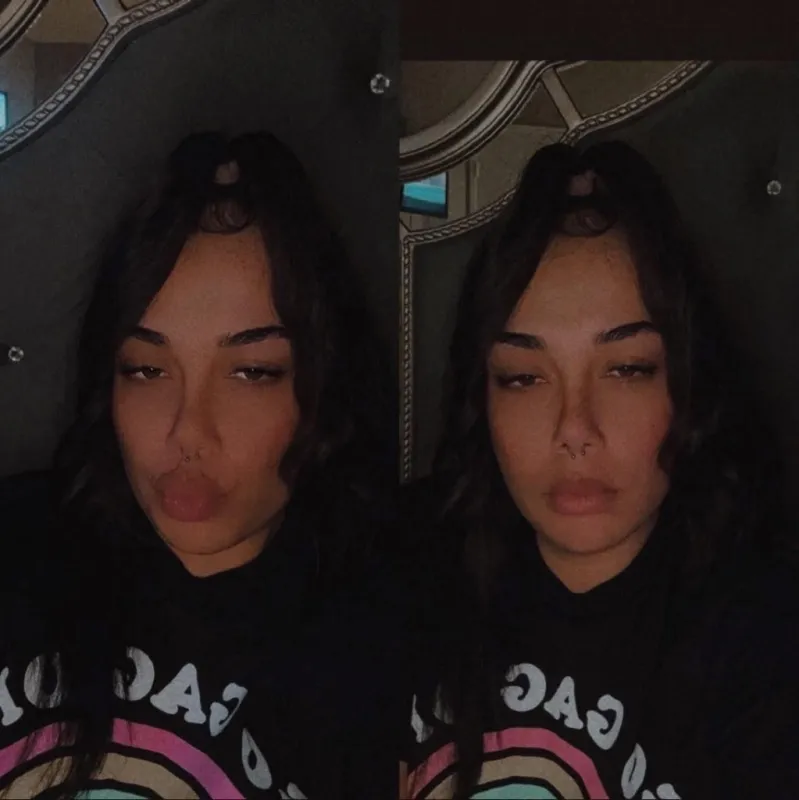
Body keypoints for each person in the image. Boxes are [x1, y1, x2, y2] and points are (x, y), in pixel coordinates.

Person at [0, 131, 402, 799]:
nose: (187, 430)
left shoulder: (385, 641)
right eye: (146, 368)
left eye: (252, 372)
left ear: (324, 388)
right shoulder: (15, 549)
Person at [401, 141, 799, 799]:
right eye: (523, 377)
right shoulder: (398, 569)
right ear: (482, 399)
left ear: (688, 386)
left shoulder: (765, 642)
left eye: (626, 370)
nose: (575, 429)